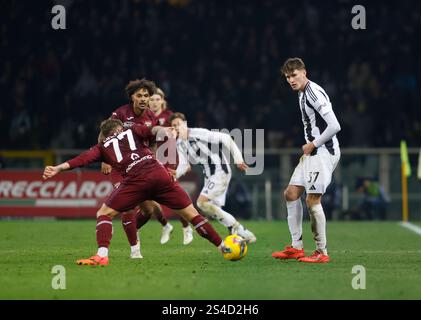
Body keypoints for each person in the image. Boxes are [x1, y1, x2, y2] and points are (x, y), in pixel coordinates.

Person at [42, 118, 231, 266]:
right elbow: (153, 131)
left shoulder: (102, 147)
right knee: (193, 215)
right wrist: (163, 131)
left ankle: (102, 255)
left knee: (104, 213)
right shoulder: (132, 129)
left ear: (106, 133)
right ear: (120, 128)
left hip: (135, 181)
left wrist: (59, 167)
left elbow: (82, 159)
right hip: (159, 174)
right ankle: (223, 246)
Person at [272, 58, 341, 263]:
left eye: (294, 75)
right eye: (287, 77)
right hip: (313, 152)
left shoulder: (313, 93)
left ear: (304, 72)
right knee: (291, 193)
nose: (291, 80)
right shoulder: (302, 93)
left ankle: (322, 252)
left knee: (312, 201)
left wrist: (313, 144)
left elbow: (335, 125)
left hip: (323, 152)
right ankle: (296, 247)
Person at [101, 79, 175, 259]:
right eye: (139, 95)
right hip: (120, 167)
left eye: (146, 96)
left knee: (148, 210)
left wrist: (155, 161)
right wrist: (105, 158)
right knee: (128, 207)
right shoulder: (120, 113)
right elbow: (104, 132)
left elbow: (153, 143)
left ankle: (132, 230)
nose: (143, 99)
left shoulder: (151, 117)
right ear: (132, 97)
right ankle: (135, 251)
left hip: (140, 167)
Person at [170, 112, 257, 243]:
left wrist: (238, 159)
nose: (177, 127)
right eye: (173, 125)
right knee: (212, 208)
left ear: (185, 124)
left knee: (202, 203)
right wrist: (176, 174)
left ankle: (239, 229)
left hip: (220, 170)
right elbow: (184, 165)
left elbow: (226, 138)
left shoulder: (197, 133)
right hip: (209, 176)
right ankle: (242, 234)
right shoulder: (180, 144)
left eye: (179, 124)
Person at [149, 87, 194, 245]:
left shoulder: (170, 117)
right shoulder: (145, 117)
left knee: (172, 198)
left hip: (169, 159)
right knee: (149, 200)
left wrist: (185, 159)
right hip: (151, 160)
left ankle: (186, 227)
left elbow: (182, 135)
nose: (154, 102)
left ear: (162, 100)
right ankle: (166, 225)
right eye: (151, 99)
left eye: (157, 99)